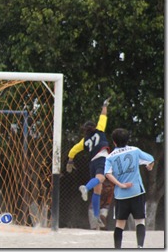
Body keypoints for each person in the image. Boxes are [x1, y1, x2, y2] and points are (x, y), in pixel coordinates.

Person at [104, 128, 154, 248]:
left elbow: (107, 174)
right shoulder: (135, 150)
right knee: (140, 221)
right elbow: (150, 159)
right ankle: (140, 247)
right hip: (137, 192)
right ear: (127, 140)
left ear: (114, 142)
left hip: (121, 195)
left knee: (119, 224)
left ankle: (117, 248)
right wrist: (150, 166)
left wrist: (120, 184)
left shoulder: (110, 157)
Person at [66, 97, 111, 227]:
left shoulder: (84, 141)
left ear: (85, 130)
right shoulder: (100, 130)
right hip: (101, 158)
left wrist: (70, 161)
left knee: (98, 190)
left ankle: (96, 217)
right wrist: (104, 104)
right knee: (101, 178)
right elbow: (103, 116)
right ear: (94, 127)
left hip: (92, 163)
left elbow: (73, 150)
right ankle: (85, 187)